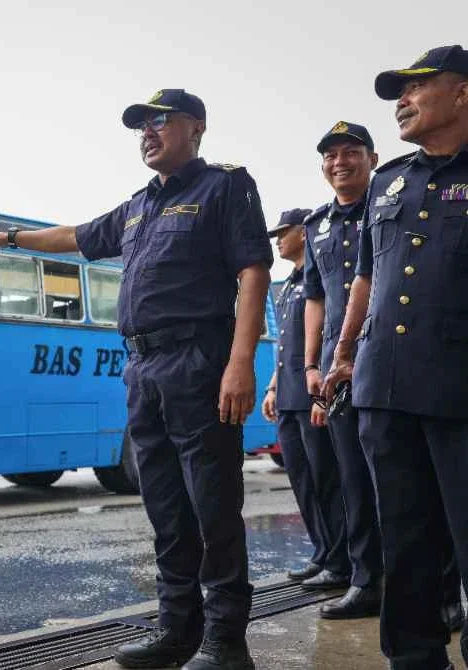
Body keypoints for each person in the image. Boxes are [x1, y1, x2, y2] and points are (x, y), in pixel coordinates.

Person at [0, 88, 272, 670]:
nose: (148, 134)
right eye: (141, 127)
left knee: (212, 506)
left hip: (199, 363)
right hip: (143, 368)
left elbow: (253, 272)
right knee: (164, 507)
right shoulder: (137, 206)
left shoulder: (225, 187)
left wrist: (241, 363)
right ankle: (177, 631)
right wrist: (10, 239)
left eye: (160, 122)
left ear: (197, 128)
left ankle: (226, 642)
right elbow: (75, 236)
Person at [323, 44, 468, 669]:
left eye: (415, 87)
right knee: (405, 542)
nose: (402, 102)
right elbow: (365, 281)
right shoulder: (390, 180)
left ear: (461, 92)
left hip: (460, 391)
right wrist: (344, 353)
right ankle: (413, 659)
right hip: (384, 386)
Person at [300, 121, 384, 618]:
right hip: (337, 368)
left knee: (405, 476)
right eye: (330, 156)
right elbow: (314, 297)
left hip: (389, 355)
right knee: (351, 476)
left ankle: (437, 593)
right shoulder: (316, 226)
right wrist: (313, 363)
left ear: (372, 158)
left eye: (350, 152)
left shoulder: (392, 203)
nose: (340, 162)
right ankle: (366, 579)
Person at [261, 208, 347, 587]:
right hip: (288, 397)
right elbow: (285, 345)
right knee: (302, 479)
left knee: (327, 479)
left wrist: (323, 395)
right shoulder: (286, 286)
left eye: (284, 232)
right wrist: (272, 387)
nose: (279, 239)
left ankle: (341, 560)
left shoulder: (320, 281)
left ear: (304, 232)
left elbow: (326, 335)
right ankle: (321, 552)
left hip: (312, 394)